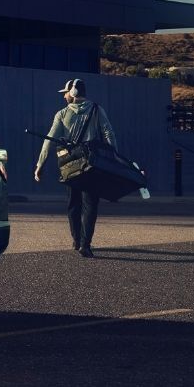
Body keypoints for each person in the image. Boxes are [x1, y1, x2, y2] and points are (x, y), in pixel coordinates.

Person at [33, 79, 117, 258]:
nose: (64, 96)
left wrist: (40, 164)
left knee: (73, 204)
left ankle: (76, 240)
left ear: (73, 93)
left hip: (71, 165)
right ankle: (85, 245)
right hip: (93, 165)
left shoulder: (62, 114)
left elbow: (49, 139)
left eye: (66, 92)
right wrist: (114, 157)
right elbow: (109, 132)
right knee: (90, 205)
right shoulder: (97, 109)